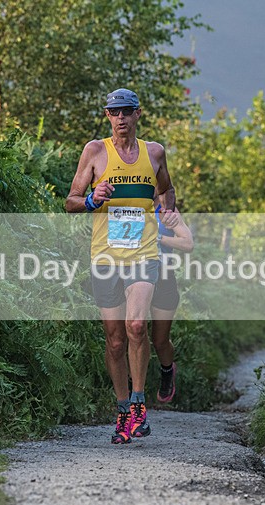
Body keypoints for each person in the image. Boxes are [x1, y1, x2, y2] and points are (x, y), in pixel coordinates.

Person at [65, 88, 177, 444]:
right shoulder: (95, 152)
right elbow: (69, 203)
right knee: (114, 341)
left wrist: (168, 211)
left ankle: (139, 407)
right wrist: (91, 199)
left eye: (127, 111)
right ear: (107, 116)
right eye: (115, 112)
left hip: (144, 253)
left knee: (137, 326)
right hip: (105, 256)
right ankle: (122, 408)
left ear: (138, 114)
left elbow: (167, 190)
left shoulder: (154, 152)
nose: (121, 118)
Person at [151, 205, 193, 404]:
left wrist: (158, 238)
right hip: (133, 275)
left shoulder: (166, 210)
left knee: (159, 340)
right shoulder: (126, 203)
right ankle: (135, 393)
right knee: (136, 330)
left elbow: (187, 243)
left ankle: (167, 370)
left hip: (164, 277)